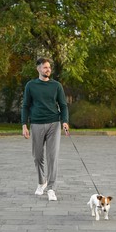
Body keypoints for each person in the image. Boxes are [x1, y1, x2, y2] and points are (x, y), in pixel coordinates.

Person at [21, 57, 69, 201]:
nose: (48, 70)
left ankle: (51, 189)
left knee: (52, 157)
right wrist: (24, 125)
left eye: (49, 67)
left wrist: (65, 121)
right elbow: (25, 106)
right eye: (45, 67)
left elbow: (63, 105)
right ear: (38, 69)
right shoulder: (30, 85)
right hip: (36, 123)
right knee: (37, 156)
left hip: (54, 123)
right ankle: (42, 182)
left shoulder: (56, 86)